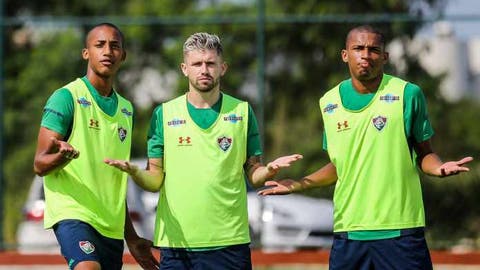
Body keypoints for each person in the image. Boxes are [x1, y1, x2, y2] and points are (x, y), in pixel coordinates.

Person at [258, 25, 474, 270]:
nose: (365, 55)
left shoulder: (408, 94)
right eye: (358, 48)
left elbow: (425, 154)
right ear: (345, 55)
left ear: (384, 56)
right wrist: (298, 183)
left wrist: (439, 168)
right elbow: (341, 165)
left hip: (400, 231)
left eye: (373, 49)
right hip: (349, 231)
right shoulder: (328, 102)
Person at [105, 32, 302, 269]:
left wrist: (269, 170)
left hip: (230, 243)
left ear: (223, 68)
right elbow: (155, 180)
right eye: (197, 64)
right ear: (184, 68)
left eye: (210, 63)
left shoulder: (242, 111)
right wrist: (136, 173)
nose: (204, 70)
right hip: (177, 244)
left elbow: (253, 172)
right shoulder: (164, 114)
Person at [33, 23, 158, 270]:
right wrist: (62, 158)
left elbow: (114, 183)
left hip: (110, 226)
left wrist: (131, 238)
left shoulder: (126, 109)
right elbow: (39, 164)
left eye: (114, 46)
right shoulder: (66, 97)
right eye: (99, 45)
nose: (107, 51)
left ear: (123, 55)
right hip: (73, 214)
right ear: (86, 52)